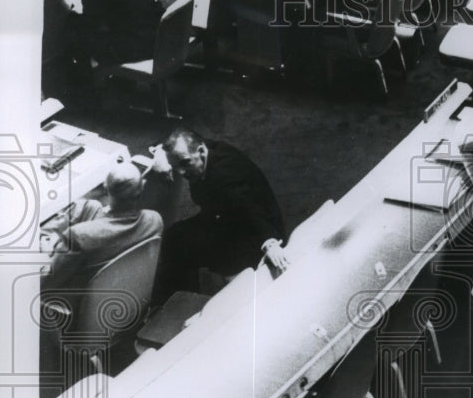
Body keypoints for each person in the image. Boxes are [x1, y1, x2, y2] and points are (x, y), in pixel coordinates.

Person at [151, 128, 289, 303]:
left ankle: (184, 302)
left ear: (201, 151)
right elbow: (174, 139)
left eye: (185, 163)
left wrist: (270, 243)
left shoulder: (225, 175)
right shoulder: (204, 147)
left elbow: (249, 208)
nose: (181, 172)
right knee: (174, 236)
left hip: (248, 235)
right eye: (176, 165)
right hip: (225, 217)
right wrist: (160, 153)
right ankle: (182, 299)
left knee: (181, 245)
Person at [41, 162, 163, 290]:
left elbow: (44, 283)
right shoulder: (155, 220)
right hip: (118, 287)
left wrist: (46, 251)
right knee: (92, 205)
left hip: (69, 298)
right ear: (143, 185)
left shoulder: (78, 237)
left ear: (105, 188)